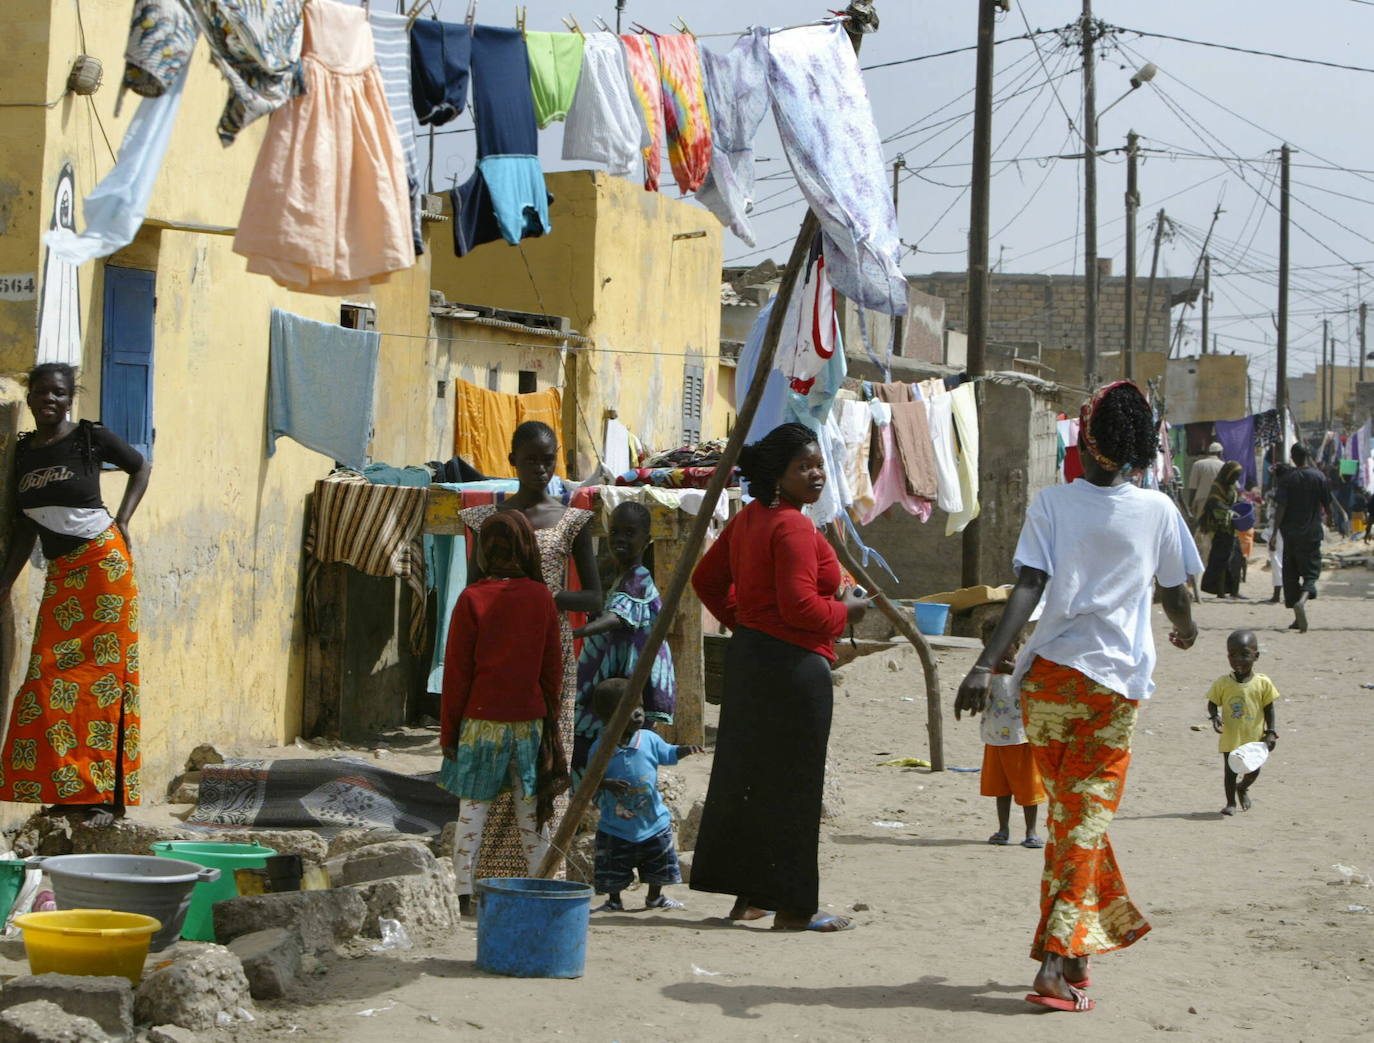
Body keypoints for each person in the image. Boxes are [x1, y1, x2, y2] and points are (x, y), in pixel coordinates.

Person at [955, 380, 1201, 1013]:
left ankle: (1083, 945)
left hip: (1048, 684)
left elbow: (1027, 586)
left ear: (1085, 442)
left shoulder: (1053, 505)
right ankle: (1055, 965)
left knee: (1073, 819)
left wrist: (987, 664)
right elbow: (1176, 592)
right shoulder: (1159, 511)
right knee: (1084, 823)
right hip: (1112, 690)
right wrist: (1187, 627)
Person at [690, 422, 869, 933]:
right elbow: (801, 608)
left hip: (751, 663)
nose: (815, 474)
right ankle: (793, 908)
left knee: (751, 781)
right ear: (778, 474)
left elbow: (707, 581)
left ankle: (751, 897)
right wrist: (848, 615)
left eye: (818, 465)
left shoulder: (750, 519)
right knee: (794, 788)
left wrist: (746, 620)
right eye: (803, 467)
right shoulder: (791, 526)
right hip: (793, 670)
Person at [0, 363, 151, 823]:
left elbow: (140, 466)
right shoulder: (23, 451)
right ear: (29, 400)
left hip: (104, 568)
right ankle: (70, 788)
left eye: (59, 393)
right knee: (49, 680)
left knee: (102, 681)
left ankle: (106, 797)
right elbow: (24, 527)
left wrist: (123, 520)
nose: (50, 399)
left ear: (70, 398)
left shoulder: (91, 437)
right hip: (63, 575)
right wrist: (5, 582)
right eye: (42, 393)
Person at [459, 421, 601, 878]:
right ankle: (487, 876)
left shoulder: (572, 520)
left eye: (549, 458)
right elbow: (473, 590)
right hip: (500, 654)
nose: (541, 468)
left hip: (551, 654)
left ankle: (542, 873)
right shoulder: (487, 522)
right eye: (532, 459)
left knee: (545, 756)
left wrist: (543, 598)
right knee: (494, 761)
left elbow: (594, 598)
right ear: (512, 461)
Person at [441, 510, 567, 915]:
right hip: (528, 724)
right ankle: (539, 892)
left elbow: (456, 675)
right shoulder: (541, 598)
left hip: (480, 724)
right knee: (532, 819)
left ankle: (463, 894)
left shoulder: (471, 599)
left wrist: (449, 735)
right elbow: (553, 672)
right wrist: (547, 717)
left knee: (471, 813)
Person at [571, 501, 675, 785]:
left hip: (625, 684)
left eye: (630, 533)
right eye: (615, 532)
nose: (620, 540)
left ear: (647, 540)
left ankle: (596, 802)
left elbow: (618, 618)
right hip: (616, 678)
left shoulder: (638, 580)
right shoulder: (622, 577)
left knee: (594, 741)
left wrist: (575, 634)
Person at [589, 679, 701, 912]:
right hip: (615, 826)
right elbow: (589, 781)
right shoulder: (600, 748)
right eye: (630, 709)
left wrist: (684, 751)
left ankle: (655, 898)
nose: (639, 713)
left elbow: (667, 754)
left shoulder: (649, 739)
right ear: (610, 716)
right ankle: (614, 900)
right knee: (613, 866)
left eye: (639, 706)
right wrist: (606, 783)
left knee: (658, 865)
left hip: (653, 822)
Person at [975, 612, 1044, 849]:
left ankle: (1031, 831)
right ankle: (1003, 829)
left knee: (1028, 787)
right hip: (995, 738)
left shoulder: (1024, 666)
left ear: (1017, 646)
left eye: (1008, 646)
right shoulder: (983, 670)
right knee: (1001, 788)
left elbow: (1036, 684)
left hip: (1022, 738)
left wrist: (1012, 669)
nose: (1003, 652)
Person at [1205, 629, 1279, 817]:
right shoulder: (1223, 683)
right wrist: (1214, 717)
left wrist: (1270, 731)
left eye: (1245, 654)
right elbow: (1212, 703)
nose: (1238, 659)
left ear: (1256, 656)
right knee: (1230, 771)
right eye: (1232, 654)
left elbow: (1269, 708)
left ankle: (1243, 788)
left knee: (1253, 770)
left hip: (1254, 737)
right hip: (1231, 736)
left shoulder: (1263, 683)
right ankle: (1230, 803)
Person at [1274, 443, 1331, 633]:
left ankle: (1297, 613)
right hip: (1312, 534)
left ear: (1292, 456)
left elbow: (1280, 508)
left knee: (1290, 573)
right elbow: (1327, 504)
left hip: (1289, 534)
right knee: (1311, 572)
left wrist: (1274, 533)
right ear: (1308, 455)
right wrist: (1331, 520)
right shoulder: (1319, 476)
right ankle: (1302, 601)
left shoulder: (1287, 479)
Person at [1199, 461, 1245, 599]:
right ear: (1228, 474)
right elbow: (1215, 504)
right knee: (1221, 561)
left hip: (1232, 530)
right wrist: (1230, 512)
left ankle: (1234, 591)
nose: (1235, 479)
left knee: (1236, 560)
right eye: (1234, 476)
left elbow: (1235, 501)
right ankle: (1220, 591)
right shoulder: (1217, 487)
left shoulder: (1231, 487)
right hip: (1221, 530)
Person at [1264, 463, 1292, 604]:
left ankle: (1277, 594)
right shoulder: (1293, 490)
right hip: (1290, 530)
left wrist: (1274, 533)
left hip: (1276, 529)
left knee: (1276, 561)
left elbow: (1272, 514)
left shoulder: (1274, 492)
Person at [1187, 441, 1225, 521]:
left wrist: (1190, 504)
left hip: (1201, 500)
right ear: (1220, 453)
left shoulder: (1198, 464)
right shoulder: (1224, 466)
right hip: (1218, 501)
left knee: (1201, 525)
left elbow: (1193, 486)